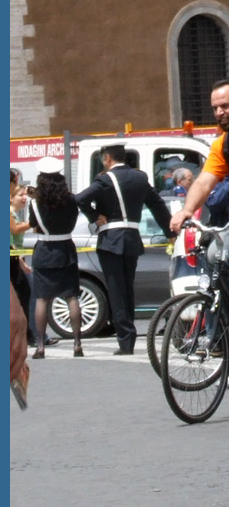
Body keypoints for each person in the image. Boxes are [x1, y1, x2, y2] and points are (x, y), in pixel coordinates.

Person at [75, 145, 173, 355]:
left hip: (111, 239)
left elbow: (80, 199)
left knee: (117, 290)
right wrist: (170, 231)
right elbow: (158, 205)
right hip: (132, 238)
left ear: (108, 158)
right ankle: (128, 333)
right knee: (127, 289)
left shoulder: (104, 180)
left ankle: (125, 341)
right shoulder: (139, 178)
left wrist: (94, 216)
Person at [170, 79, 229, 240]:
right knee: (215, 255)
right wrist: (187, 210)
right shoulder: (223, 144)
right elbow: (204, 182)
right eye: (215, 108)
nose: (219, 113)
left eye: (225, 106)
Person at [28, 157, 83, 358]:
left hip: (44, 249)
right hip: (66, 248)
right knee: (72, 297)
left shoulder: (36, 202)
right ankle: (77, 343)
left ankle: (41, 346)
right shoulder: (71, 199)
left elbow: (33, 225)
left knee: (42, 299)